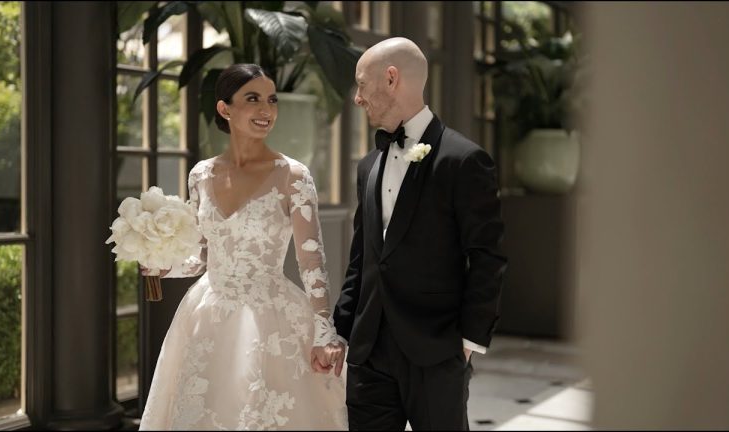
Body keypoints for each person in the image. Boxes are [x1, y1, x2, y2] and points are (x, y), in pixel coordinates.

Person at [138, 63, 348, 430]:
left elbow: (311, 262)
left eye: (271, 100)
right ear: (225, 109)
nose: (266, 111)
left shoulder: (293, 176)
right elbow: (203, 256)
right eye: (252, 99)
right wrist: (162, 265)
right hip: (206, 315)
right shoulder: (201, 174)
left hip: (271, 317)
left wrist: (323, 331)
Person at [332, 37, 507, 430]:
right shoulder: (368, 166)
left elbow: (487, 256)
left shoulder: (464, 160)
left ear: (391, 79)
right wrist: (341, 332)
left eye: (362, 84)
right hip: (369, 351)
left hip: (437, 350)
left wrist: (467, 343)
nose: (357, 98)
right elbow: (362, 256)